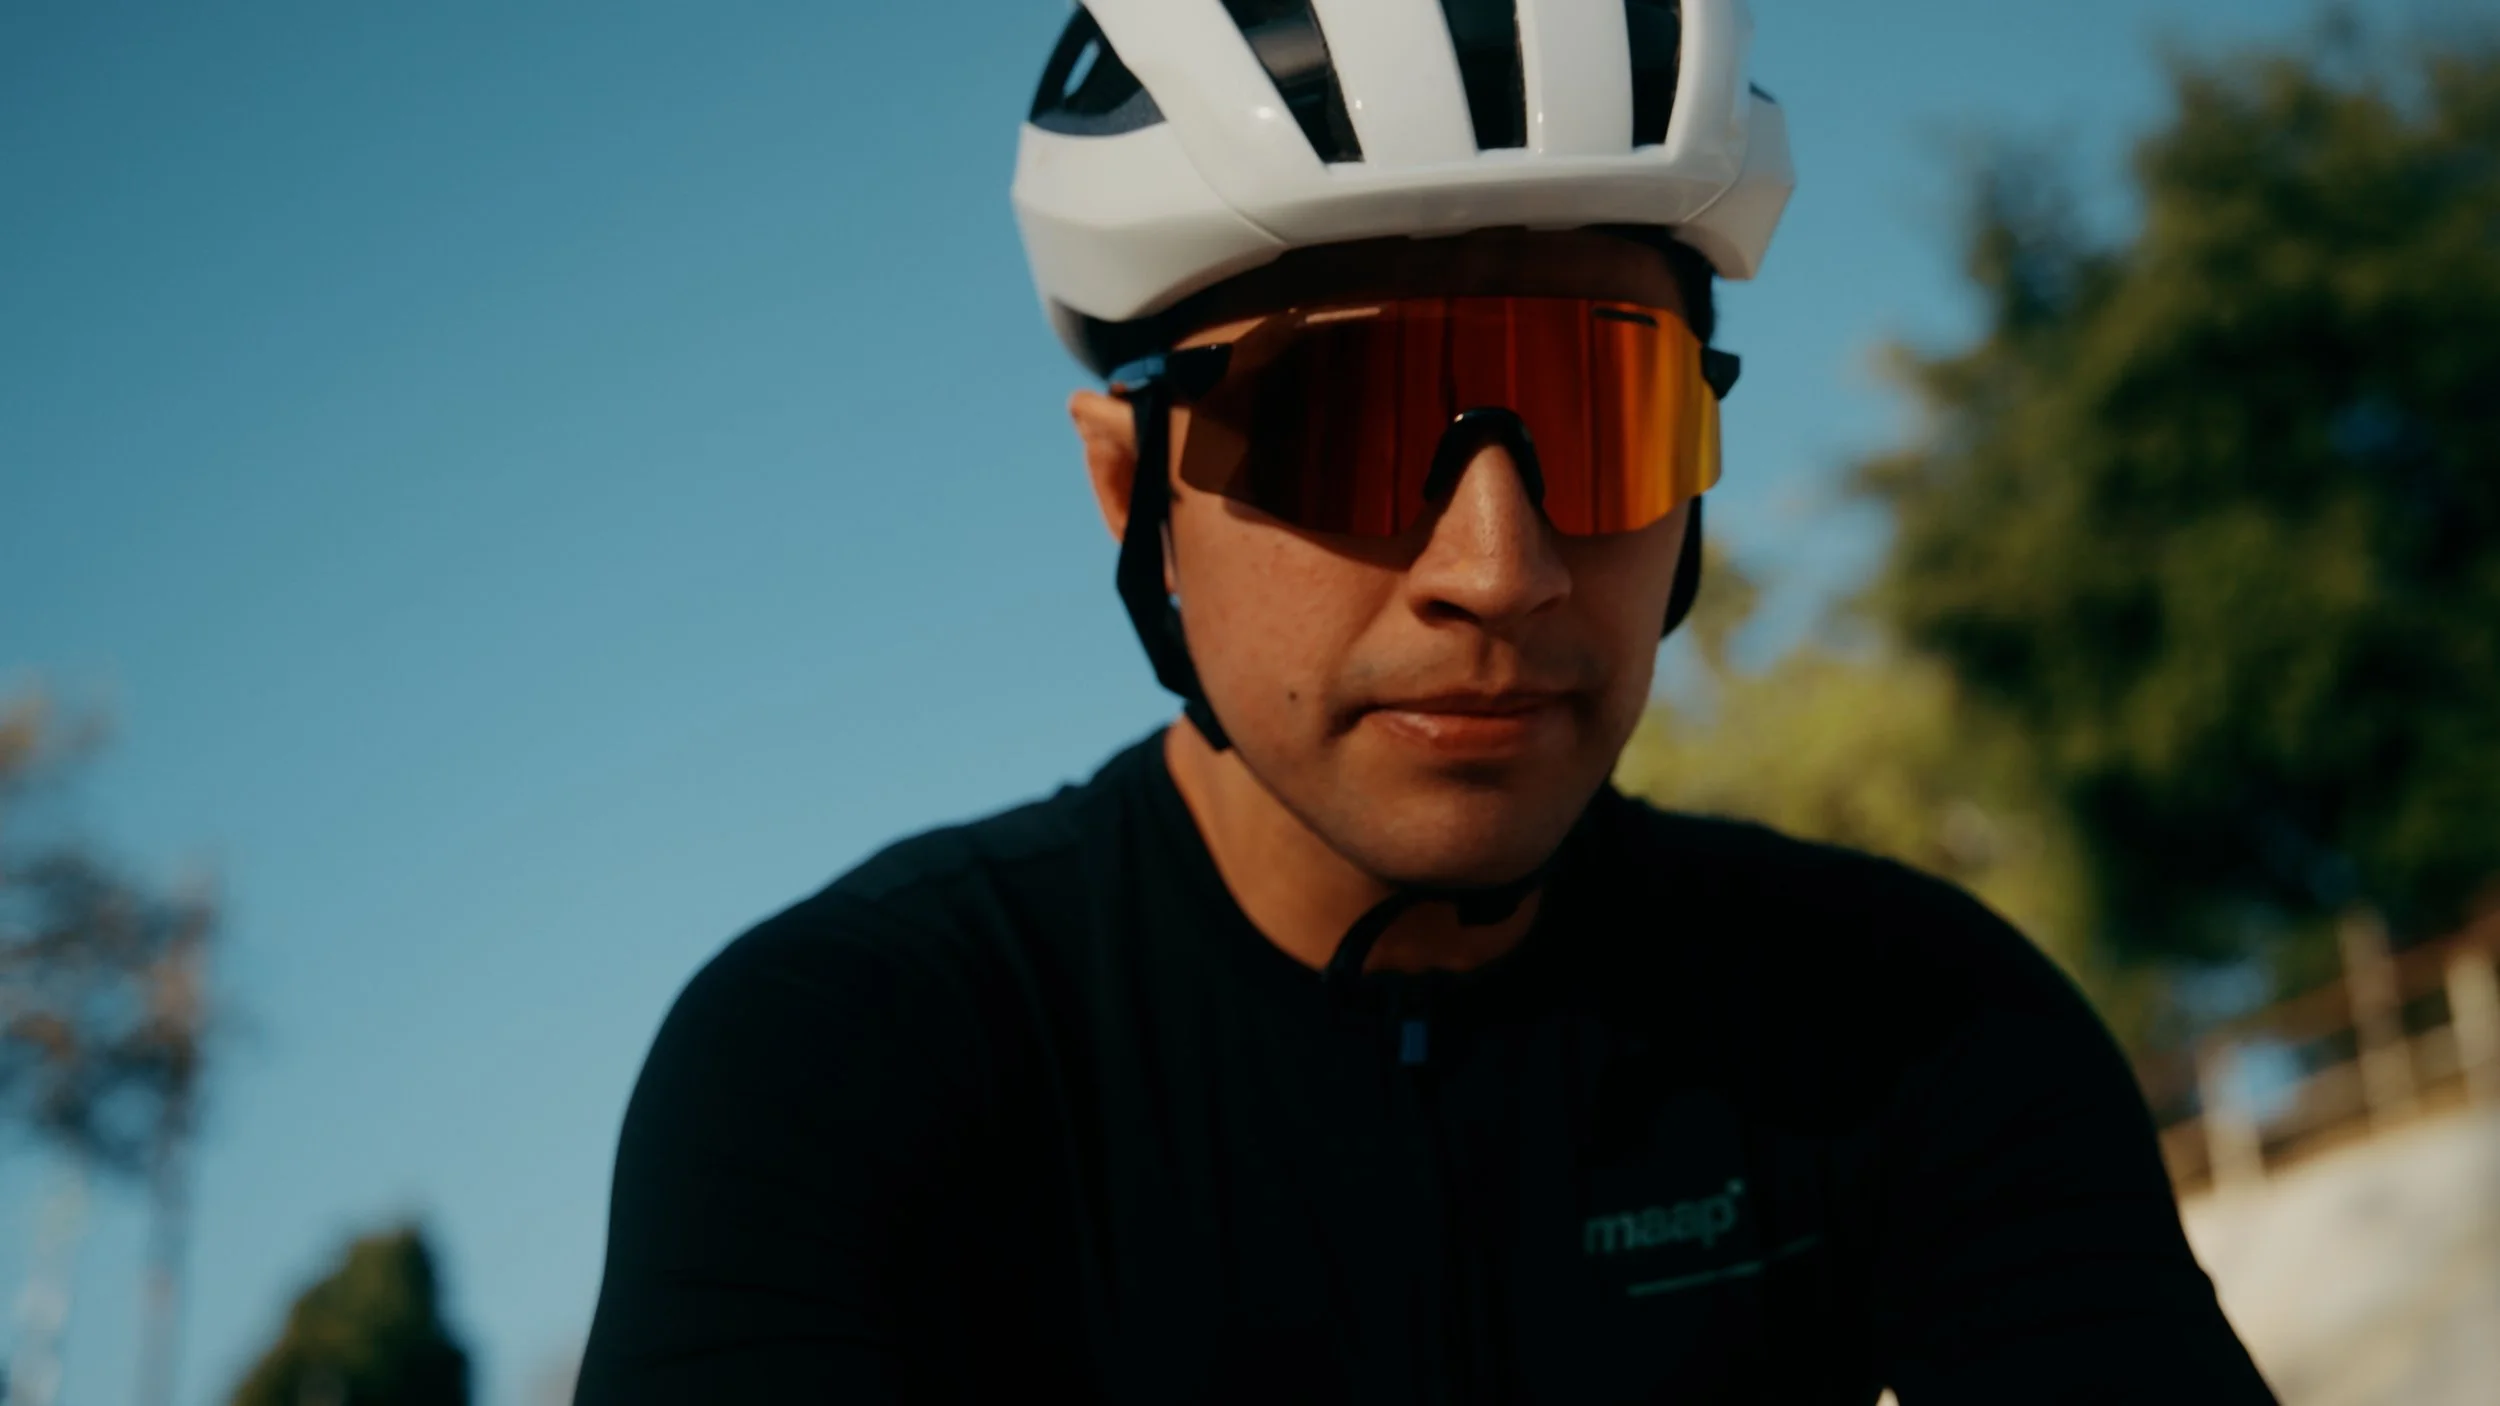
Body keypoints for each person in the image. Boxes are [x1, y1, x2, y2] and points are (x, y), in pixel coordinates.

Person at [574, 2, 2277, 1401]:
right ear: (1131, 489)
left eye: (1604, 413)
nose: (1500, 565)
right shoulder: (838, 1073)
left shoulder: (1915, 1021)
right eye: (1350, 418)